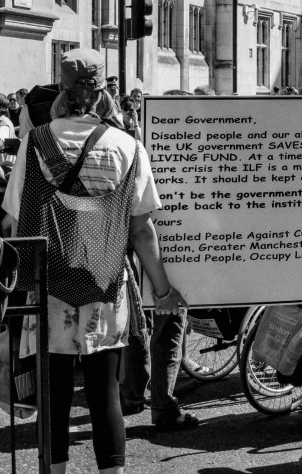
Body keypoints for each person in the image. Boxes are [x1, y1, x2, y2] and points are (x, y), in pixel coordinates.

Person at [2, 48, 182, 474]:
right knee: (105, 396)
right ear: (103, 95)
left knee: (56, 394)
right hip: (105, 285)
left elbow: (12, 223)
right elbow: (141, 230)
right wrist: (163, 290)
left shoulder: (36, 143)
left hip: (49, 286)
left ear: (60, 92)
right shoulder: (128, 146)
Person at [119, 85, 202, 431]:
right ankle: (163, 406)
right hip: (167, 255)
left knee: (138, 323)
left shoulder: (138, 149)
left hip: (136, 253)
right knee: (168, 325)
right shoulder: (189, 154)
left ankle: (131, 395)